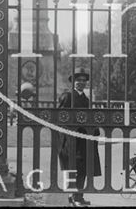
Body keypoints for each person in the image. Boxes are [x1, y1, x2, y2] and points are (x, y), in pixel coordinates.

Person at [57, 68, 101, 207]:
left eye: (84, 80)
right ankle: (73, 196)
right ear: (73, 81)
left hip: (84, 140)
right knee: (73, 167)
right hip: (71, 140)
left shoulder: (86, 99)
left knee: (83, 168)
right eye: (78, 80)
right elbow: (60, 118)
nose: (81, 83)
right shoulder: (67, 97)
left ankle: (79, 196)